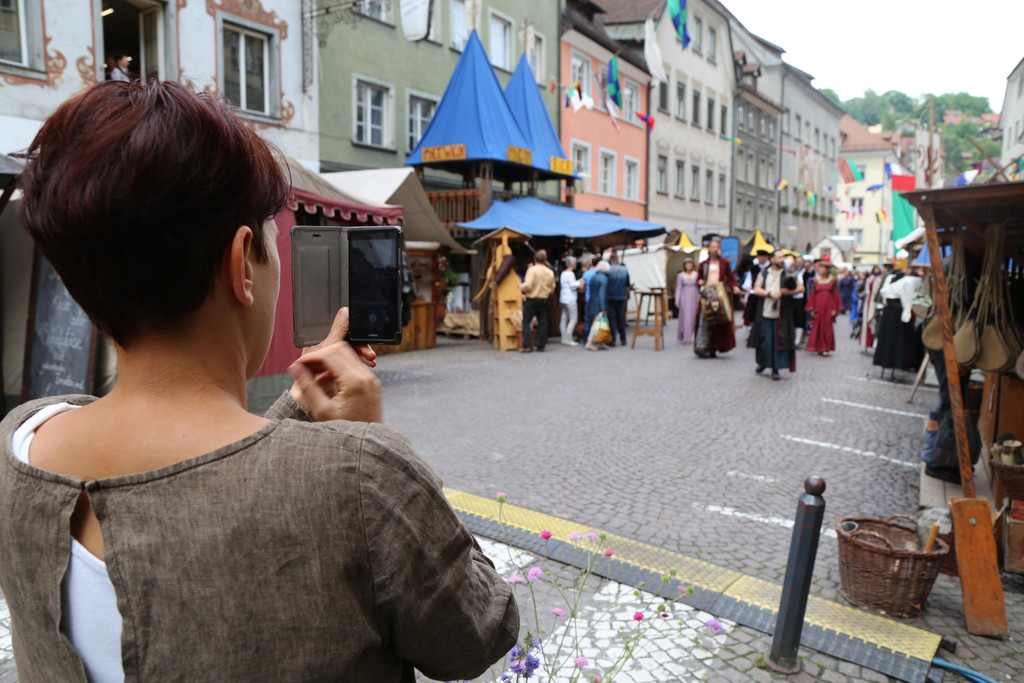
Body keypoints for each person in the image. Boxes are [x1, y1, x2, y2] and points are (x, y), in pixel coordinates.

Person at [1, 80, 517, 682]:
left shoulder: (22, 440)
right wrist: (364, 447)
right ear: (241, 262)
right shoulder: (359, 477)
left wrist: (295, 413)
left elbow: (198, 482)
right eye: (274, 243)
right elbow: (477, 635)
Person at [748, 249, 804, 380]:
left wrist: (787, 292)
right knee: (764, 340)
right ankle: (763, 363)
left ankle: (775, 368)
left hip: (782, 314)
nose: (782, 260)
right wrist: (769, 294)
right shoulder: (764, 272)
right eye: (779, 257)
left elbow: (801, 288)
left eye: (783, 257)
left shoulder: (788, 273)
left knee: (779, 341)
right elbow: (756, 288)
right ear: (772, 259)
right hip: (765, 311)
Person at [694, 238, 740, 358]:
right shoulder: (704, 264)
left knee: (720, 321)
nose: (715, 249)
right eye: (713, 247)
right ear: (709, 249)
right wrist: (700, 282)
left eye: (717, 247)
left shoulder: (724, 263)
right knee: (703, 319)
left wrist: (734, 287)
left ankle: (716, 346)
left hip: (719, 294)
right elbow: (698, 279)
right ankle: (702, 346)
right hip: (707, 294)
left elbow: (730, 279)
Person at [804, 258, 844, 356]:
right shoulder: (815, 280)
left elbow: (836, 295)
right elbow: (813, 295)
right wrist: (812, 307)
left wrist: (835, 309)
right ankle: (818, 347)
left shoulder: (833, 280)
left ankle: (826, 348)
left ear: (827, 269)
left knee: (827, 327)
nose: (820, 269)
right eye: (820, 268)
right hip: (818, 306)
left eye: (822, 268)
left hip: (828, 307)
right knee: (817, 326)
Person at [519, 249, 555, 353]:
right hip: (543, 299)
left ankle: (526, 345)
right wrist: (547, 292)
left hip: (532, 298)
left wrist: (521, 286)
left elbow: (528, 285)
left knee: (526, 321)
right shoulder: (550, 272)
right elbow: (552, 287)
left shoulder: (532, 270)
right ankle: (541, 345)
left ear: (535, 259)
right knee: (543, 321)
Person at [605, 252, 631, 347]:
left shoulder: (608, 270)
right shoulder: (624, 269)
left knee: (612, 319)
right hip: (621, 297)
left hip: (610, 297)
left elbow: (606, 284)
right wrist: (625, 296)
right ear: (617, 259)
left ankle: (613, 340)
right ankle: (623, 339)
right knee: (621, 317)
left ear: (610, 260)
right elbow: (627, 286)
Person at [741, 249, 772, 328]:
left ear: (766, 257)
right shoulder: (753, 268)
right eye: (758, 256)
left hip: (767, 295)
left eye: (761, 256)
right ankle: (753, 331)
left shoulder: (771, 268)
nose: (759, 258)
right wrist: (748, 287)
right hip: (754, 295)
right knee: (752, 315)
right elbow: (748, 280)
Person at [584, 260, 609, 351]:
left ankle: (600, 342)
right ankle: (589, 341)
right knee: (597, 323)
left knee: (597, 322)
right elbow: (602, 294)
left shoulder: (594, 277)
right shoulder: (604, 279)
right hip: (599, 304)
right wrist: (603, 308)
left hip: (592, 302)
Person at [674, 258, 699, 343]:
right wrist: (677, 299)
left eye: (690, 264)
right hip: (685, 297)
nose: (689, 266)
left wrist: (699, 296)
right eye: (687, 264)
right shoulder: (681, 275)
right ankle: (686, 336)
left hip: (694, 296)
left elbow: (698, 287)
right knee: (685, 316)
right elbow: (679, 288)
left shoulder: (696, 274)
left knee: (694, 316)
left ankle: (694, 335)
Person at [559, 255, 582, 346]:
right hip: (570, 298)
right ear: (572, 264)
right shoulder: (570, 274)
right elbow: (572, 285)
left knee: (564, 318)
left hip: (563, 298)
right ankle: (568, 338)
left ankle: (564, 337)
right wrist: (579, 282)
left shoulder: (563, 273)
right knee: (573, 319)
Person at [790, 255, 809, 348]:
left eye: (800, 262)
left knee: (800, 320)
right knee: (791, 319)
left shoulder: (807, 274)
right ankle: (791, 340)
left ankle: (797, 341)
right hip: (791, 299)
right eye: (796, 262)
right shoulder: (791, 272)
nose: (798, 264)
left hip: (802, 300)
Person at [579, 254, 596, 342]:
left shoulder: (586, 274)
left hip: (588, 298)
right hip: (596, 299)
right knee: (597, 320)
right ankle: (597, 338)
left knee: (587, 319)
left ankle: (585, 339)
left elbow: (581, 286)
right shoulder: (598, 273)